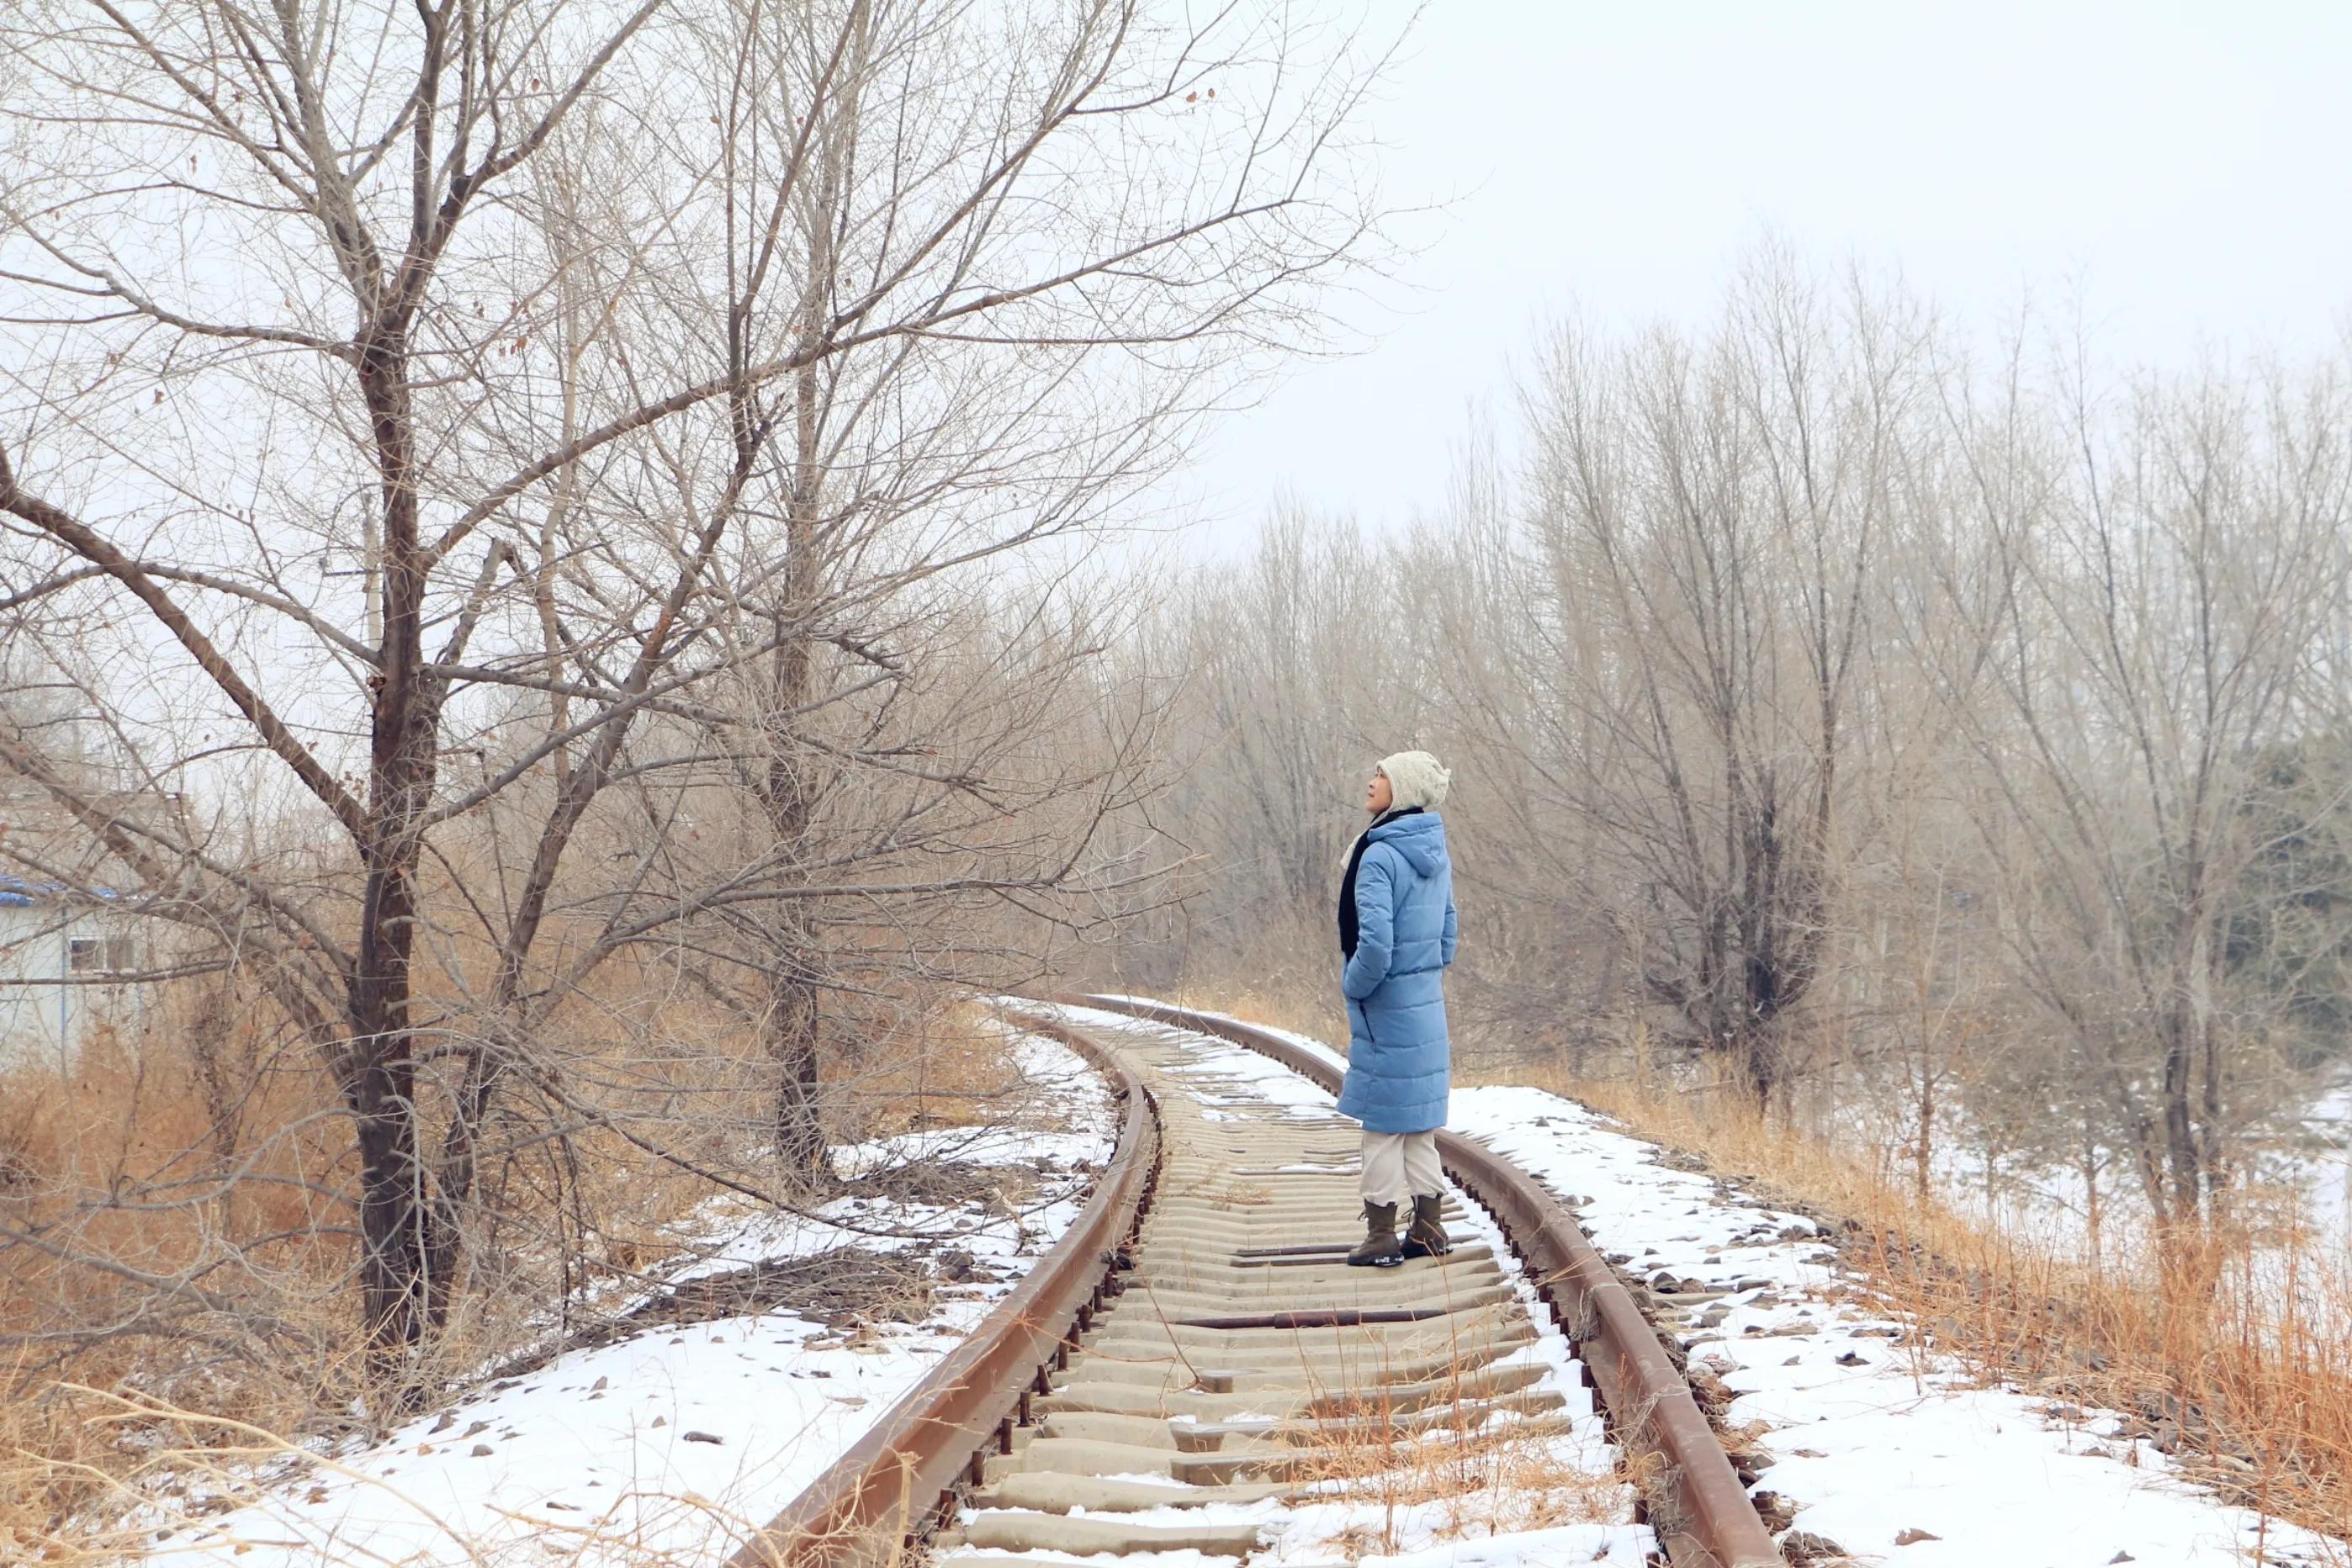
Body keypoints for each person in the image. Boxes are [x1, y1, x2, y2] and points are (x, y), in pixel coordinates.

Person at [1335, 750, 1458, 1268]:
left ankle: (1381, 1235)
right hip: (1425, 1002)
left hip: (1386, 1005)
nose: (1371, 782)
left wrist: (1355, 985)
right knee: (1417, 1125)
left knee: (1383, 1128)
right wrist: (1422, 975)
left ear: (1401, 788)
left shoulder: (1380, 855)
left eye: (1381, 775)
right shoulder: (1433, 850)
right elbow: (1448, 934)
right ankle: (1429, 1229)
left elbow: (1376, 945)